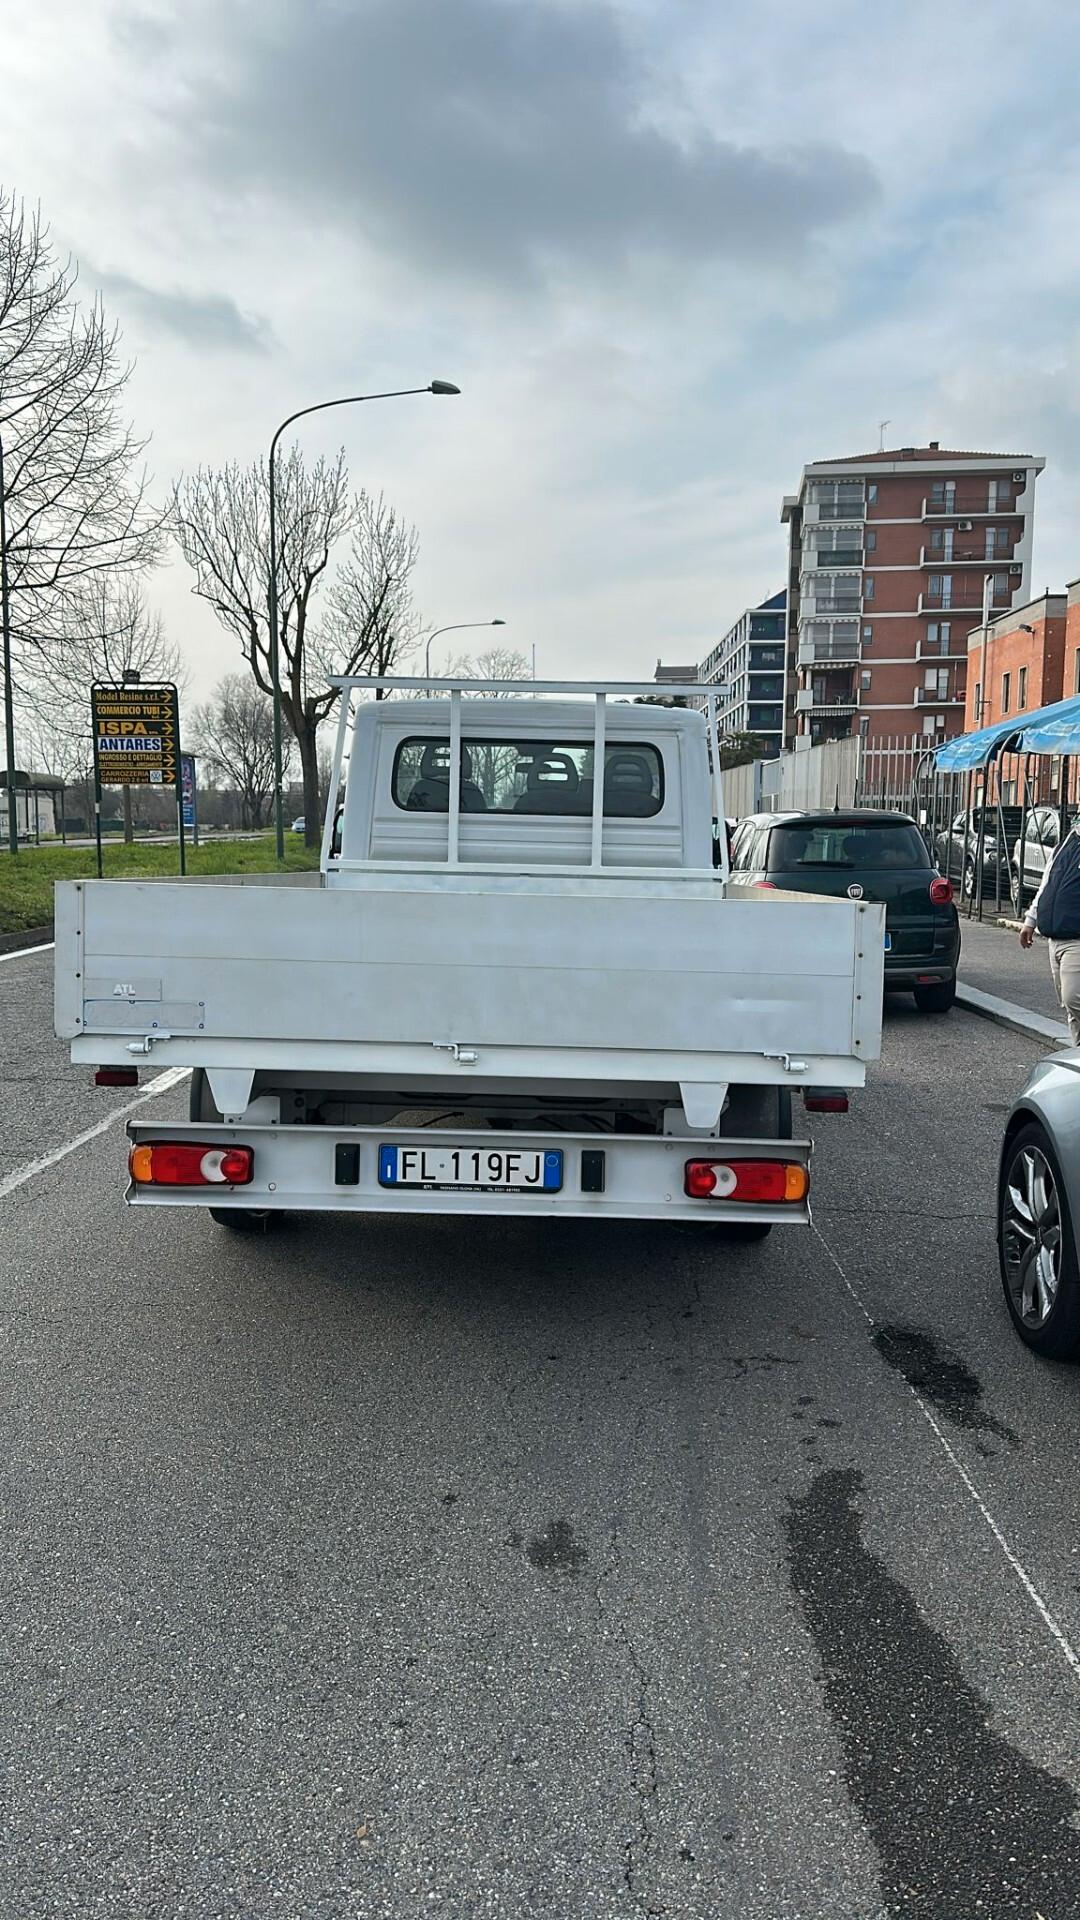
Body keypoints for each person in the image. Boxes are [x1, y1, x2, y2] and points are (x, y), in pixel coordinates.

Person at [1019, 813, 1080, 1044]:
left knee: (1073, 998)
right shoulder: (1066, 844)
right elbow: (1046, 885)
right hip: (1054, 938)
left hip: (1076, 938)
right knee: (1068, 1006)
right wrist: (1030, 920)